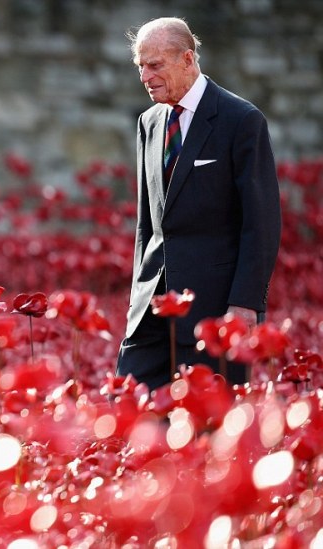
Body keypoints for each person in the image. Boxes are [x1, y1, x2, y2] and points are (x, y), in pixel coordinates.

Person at [116, 17, 281, 390]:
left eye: (154, 65)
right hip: (150, 314)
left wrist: (245, 303)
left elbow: (262, 223)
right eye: (140, 65)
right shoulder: (148, 122)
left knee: (209, 432)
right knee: (128, 416)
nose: (145, 76)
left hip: (216, 313)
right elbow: (148, 226)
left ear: (188, 59)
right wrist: (136, 298)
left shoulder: (242, 121)